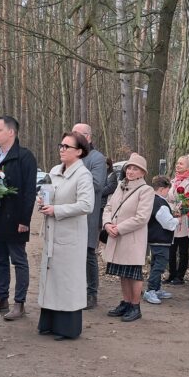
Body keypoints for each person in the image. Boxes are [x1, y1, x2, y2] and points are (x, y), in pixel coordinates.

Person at [36, 131, 94, 340]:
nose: (62, 149)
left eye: (66, 147)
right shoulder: (54, 171)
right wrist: (43, 202)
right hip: (53, 233)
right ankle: (49, 322)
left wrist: (57, 210)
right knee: (52, 278)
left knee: (67, 281)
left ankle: (67, 328)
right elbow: (48, 193)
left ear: (79, 152)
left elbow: (87, 205)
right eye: (61, 145)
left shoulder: (83, 175)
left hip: (70, 236)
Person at [0, 115, 37, 321]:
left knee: (18, 260)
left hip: (15, 219)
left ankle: (19, 303)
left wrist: (25, 220)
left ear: (11, 132)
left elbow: (29, 192)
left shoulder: (24, 156)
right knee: (0, 261)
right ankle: (1, 299)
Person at [102, 153, 155, 322]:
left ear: (143, 172)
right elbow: (109, 207)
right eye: (129, 168)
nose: (131, 171)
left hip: (132, 239)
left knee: (134, 274)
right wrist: (107, 224)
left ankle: (135, 305)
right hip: (116, 236)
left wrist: (119, 228)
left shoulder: (146, 190)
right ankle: (126, 302)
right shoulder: (120, 186)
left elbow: (142, 217)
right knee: (122, 273)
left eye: (135, 169)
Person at [73, 123, 108, 308]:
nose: (73, 138)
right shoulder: (71, 156)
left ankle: (91, 294)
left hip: (88, 215)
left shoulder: (97, 158)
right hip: (69, 214)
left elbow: (97, 184)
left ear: (88, 137)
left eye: (77, 134)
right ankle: (75, 290)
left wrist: (72, 184)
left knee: (88, 253)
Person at [143, 176, 179, 305]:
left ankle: (156, 288)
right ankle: (151, 290)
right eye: (168, 190)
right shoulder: (160, 203)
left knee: (155, 264)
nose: (168, 193)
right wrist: (177, 220)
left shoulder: (151, 200)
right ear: (163, 189)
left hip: (154, 238)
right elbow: (167, 223)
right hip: (161, 239)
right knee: (159, 265)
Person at [165, 155, 189, 285]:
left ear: (188, 167)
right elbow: (168, 198)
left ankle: (180, 275)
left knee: (183, 249)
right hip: (172, 217)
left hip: (184, 219)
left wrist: (181, 209)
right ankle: (171, 273)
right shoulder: (172, 181)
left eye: (181, 164)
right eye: (177, 163)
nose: (178, 166)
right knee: (171, 248)